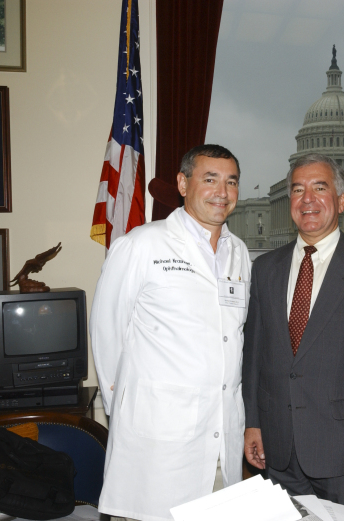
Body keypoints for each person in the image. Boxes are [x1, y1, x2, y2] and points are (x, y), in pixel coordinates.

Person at [90, 144, 250, 521]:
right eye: (209, 179)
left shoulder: (239, 252)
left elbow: (233, 339)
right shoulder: (140, 245)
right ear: (182, 183)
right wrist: (130, 412)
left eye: (231, 182)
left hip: (221, 439)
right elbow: (106, 336)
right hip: (156, 442)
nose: (222, 192)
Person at [242, 153, 344, 510]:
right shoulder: (265, 268)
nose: (306, 199)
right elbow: (254, 356)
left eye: (319, 188)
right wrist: (253, 422)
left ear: (341, 200)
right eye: (298, 189)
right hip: (277, 446)